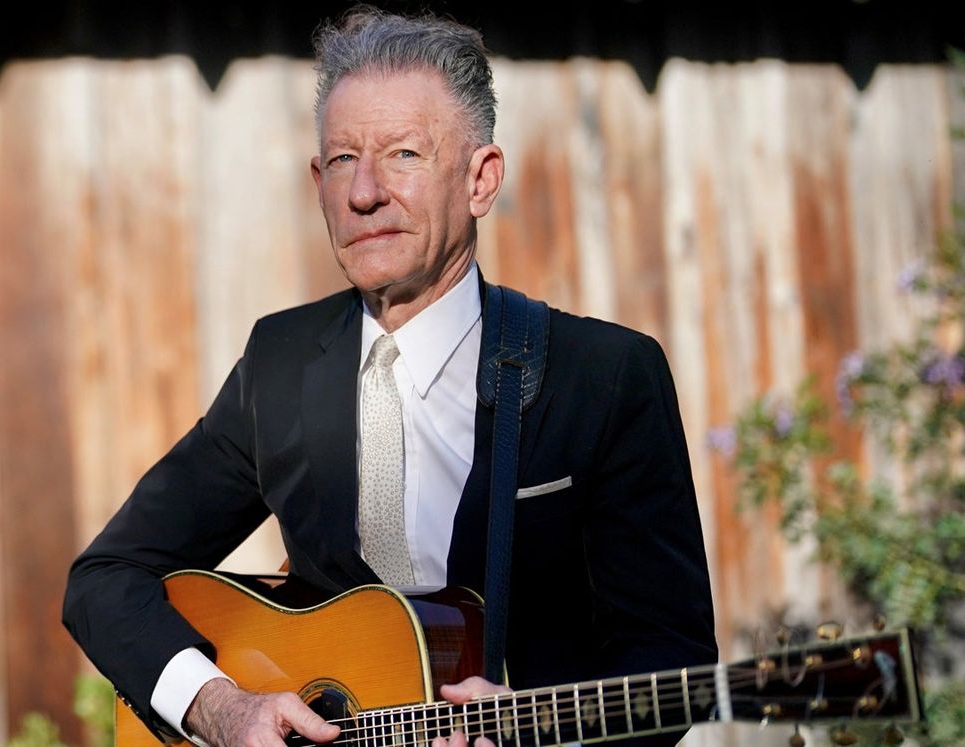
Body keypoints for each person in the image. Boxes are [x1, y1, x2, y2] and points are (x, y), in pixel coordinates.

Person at [63, 8, 716, 747]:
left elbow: (673, 655)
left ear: (480, 180)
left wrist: (539, 736)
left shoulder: (603, 375)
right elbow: (105, 578)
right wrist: (220, 706)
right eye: (343, 159)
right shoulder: (278, 364)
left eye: (403, 154)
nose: (364, 192)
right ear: (318, 182)